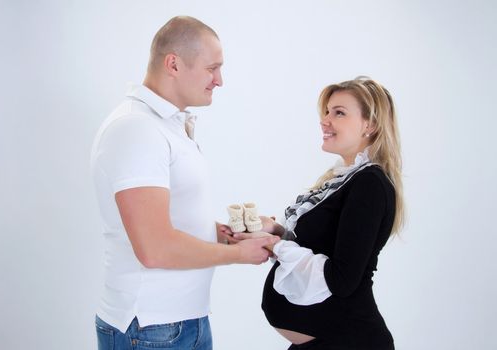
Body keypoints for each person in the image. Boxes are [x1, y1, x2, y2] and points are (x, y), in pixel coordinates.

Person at [90, 16, 278, 350]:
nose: (219, 80)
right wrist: (237, 254)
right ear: (173, 64)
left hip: (179, 322)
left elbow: (168, 218)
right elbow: (155, 247)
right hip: (150, 329)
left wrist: (216, 233)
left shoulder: (164, 125)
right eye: (212, 68)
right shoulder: (137, 128)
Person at [231, 77, 404, 349]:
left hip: (351, 342)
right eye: (326, 112)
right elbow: (322, 246)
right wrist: (276, 231)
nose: (325, 120)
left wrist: (276, 246)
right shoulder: (343, 180)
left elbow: (342, 279)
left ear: (369, 125)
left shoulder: (370, 184)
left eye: (339, 113)